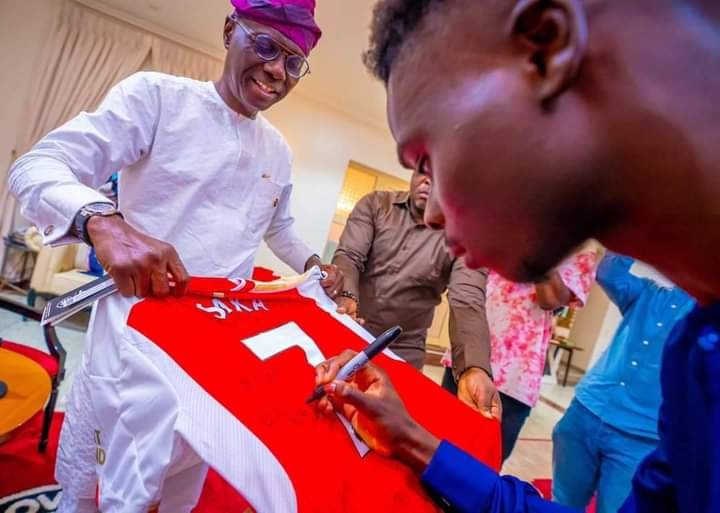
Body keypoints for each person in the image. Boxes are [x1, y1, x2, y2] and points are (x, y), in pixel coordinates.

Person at [313, 1, 720, 512]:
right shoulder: (696, 354)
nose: (433, 212)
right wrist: (413, 441)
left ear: (546, 47)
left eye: (431, 156)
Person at [9, 1, 343, 511]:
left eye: (293, 61)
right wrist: (101, 220)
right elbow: (37, 166)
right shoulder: (159, 98)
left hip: (214, 349)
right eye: (266, 46)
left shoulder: (277, 150)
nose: (277, 69)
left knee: (181, 476)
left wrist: (312, 264)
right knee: (102, 484)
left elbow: (279, 227)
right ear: (231, 30)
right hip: (136, 338)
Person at [332, 170, 499, 417]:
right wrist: (347, 297)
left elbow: (467, 300)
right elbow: (349, 257)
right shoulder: (376, 205)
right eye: (423, 170)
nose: (429, 179)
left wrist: (474, 369)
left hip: (402, 352)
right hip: (347, 330)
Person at [553, 252, 695, 513]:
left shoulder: (704, 318)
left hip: (639, 438)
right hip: (585, 412)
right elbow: (608, 273)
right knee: (560, 504)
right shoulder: (649, 293)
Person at [442, 252, 596, 461]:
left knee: (483, 464)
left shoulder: (580, 251)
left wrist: (540, 247)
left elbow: (550, 300)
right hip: (467, 354)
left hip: (515, 374)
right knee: (437, 443)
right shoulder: (510, 223)